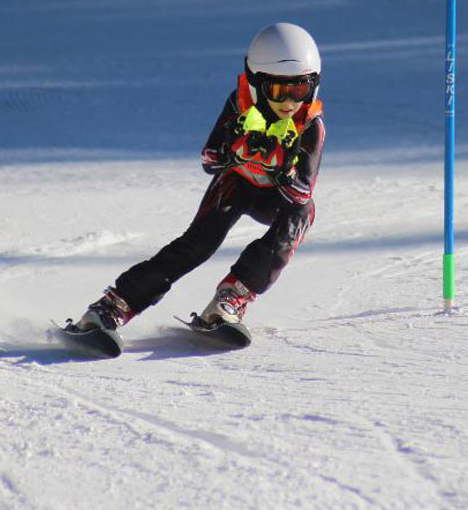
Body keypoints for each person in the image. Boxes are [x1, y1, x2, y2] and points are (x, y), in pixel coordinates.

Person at [73, 22, 325, 339]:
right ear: (257, 84)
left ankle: (232, 297)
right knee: (197, 245)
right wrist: (234, 150)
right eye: (277, 90)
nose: (288, 102)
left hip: (276, 199)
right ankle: (113, 306)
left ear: (313, 85)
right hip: (237, 183)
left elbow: (301, 193)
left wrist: (280, 167)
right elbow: (210, 159)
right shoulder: (240, 105)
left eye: (298, 89)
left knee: (302, 214)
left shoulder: (310, 127)